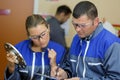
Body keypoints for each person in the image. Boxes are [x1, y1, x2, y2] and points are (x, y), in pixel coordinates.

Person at [50, 1, 120, 80]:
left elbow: (116, 78)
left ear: (96, 22)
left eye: (83, 25)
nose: (77, 29)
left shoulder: (112, 44)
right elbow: (69, 67)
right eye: (75, 24)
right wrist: (64, 74)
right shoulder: (76, 39)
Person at [4, 14, 66, 80]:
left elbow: (64, 77)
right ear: (28, 36)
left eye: (43, 34)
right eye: (34, 37)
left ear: (48, 28)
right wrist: (11, 67)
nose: (41, 40)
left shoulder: (60, 50)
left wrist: (53, 65)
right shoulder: (19, 49)